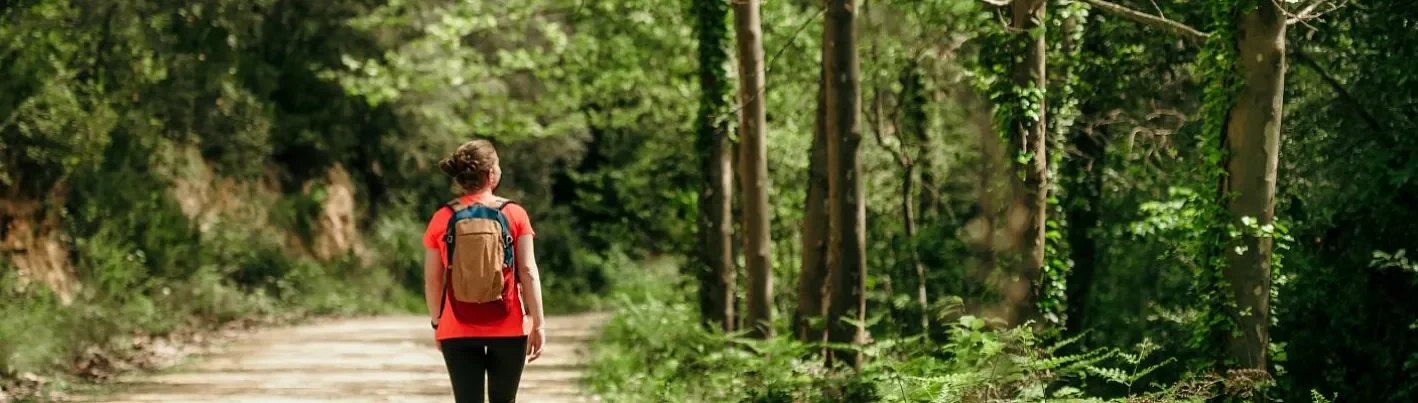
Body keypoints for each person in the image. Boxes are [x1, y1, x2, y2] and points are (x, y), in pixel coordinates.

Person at [423, 139, 546, 403]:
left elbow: (433, 281)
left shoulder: (442, 217)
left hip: (456, 327)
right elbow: (528, 269)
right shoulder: (515, 213)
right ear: (491, 175)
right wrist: (538, 322)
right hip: (509, 327)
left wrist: (437, 322)